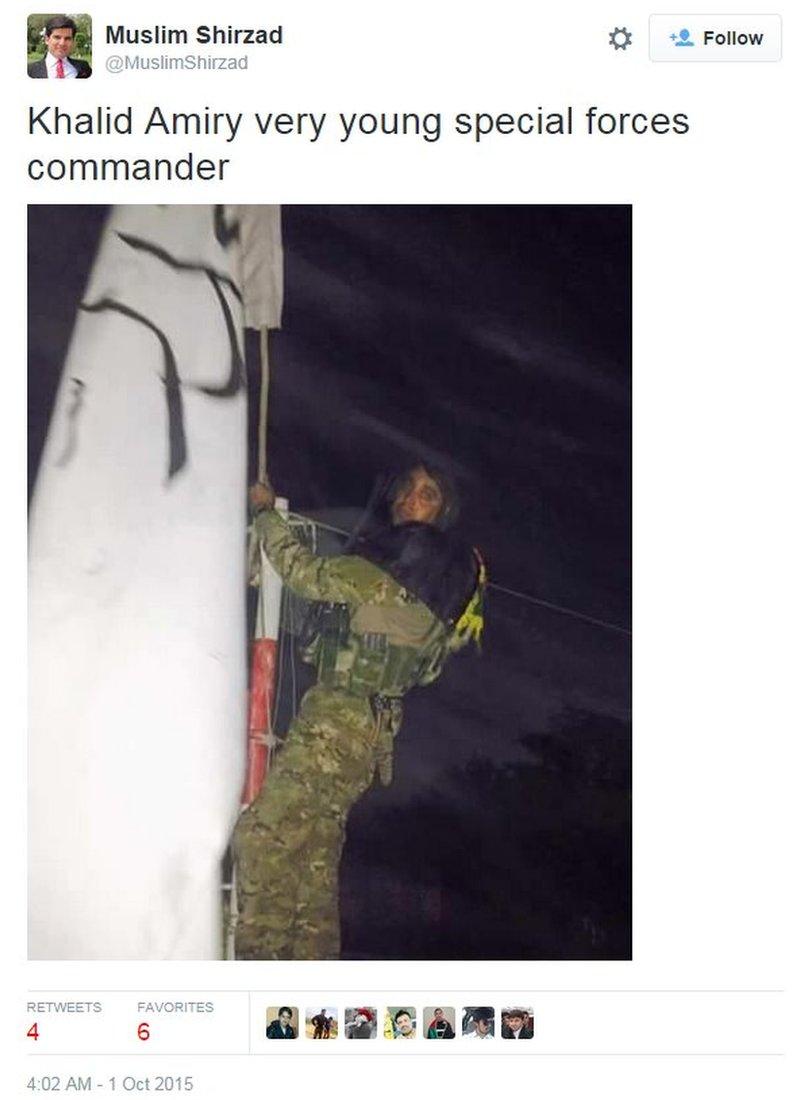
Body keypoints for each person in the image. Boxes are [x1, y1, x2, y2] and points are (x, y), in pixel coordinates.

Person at [234, 463, 485, 960]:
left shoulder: (392, 561)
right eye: (409, 489)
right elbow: (430, 670)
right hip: (373, 735)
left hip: (338, 720)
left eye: (428, 494)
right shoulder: (449, 580)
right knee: (313, 860)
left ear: (441, 512)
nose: (413, 498)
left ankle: (257, 967)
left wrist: (265, 513)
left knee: (263, 837)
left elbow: (305, 573)